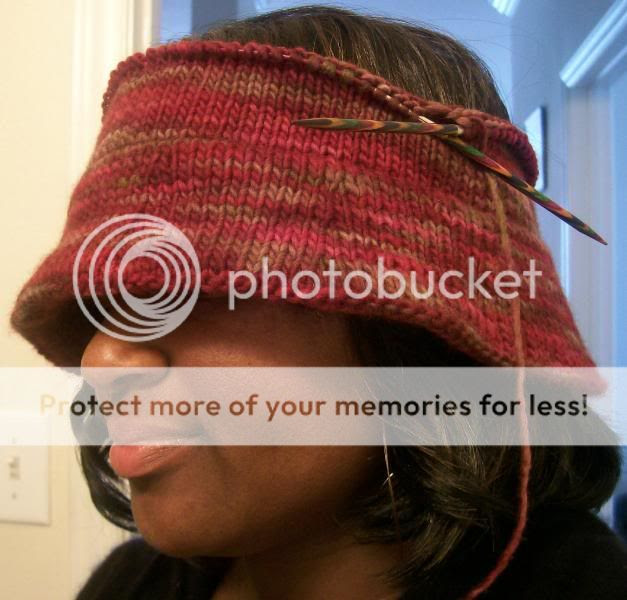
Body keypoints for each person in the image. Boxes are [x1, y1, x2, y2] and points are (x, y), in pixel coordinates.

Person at [10, 6, 627, 599]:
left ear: (419, 329)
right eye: (100, 304)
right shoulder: (131, 585)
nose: (100, 360)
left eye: (185, 289)